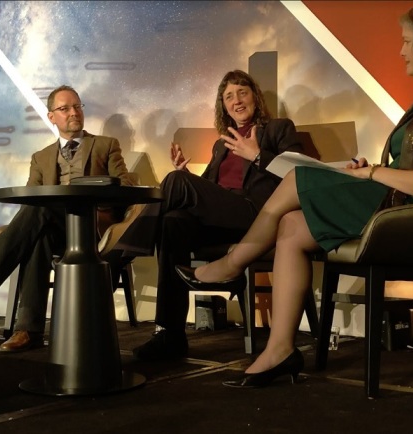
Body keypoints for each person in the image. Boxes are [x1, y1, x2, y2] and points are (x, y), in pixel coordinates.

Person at [177, 0, 413, 388]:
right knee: (293, 225)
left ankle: (233, 264)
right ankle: (280, 348)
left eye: (406, 41)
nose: (400, 51)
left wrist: (375, 172)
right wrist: (372, 172)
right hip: (402, 200)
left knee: (297, 179)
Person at [114, 70, 304, 361]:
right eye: (229, 96)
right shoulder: (221, 143)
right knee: (172, 220)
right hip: (225, 217)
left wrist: (256, 155)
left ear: (255, 96)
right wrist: (185, 175)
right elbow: (208, 193)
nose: (236, 101)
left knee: (176, 185)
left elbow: (298, 175)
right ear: (223, 106)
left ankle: (122, 251)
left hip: (260, 214)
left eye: (242, 92)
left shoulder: (279, 128)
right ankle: (170, 335)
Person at [0, 85, 134, 353]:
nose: (74, 112)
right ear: (51, 117)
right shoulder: (41, 158)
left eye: (77, 106)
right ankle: (27, 330)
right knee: (39, 231)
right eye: (65, 108)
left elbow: (126, 184)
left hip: (92, 226)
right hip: (56, 227)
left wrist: (102, 187)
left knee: (42, 209)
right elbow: (30, 201)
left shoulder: (105, 145)